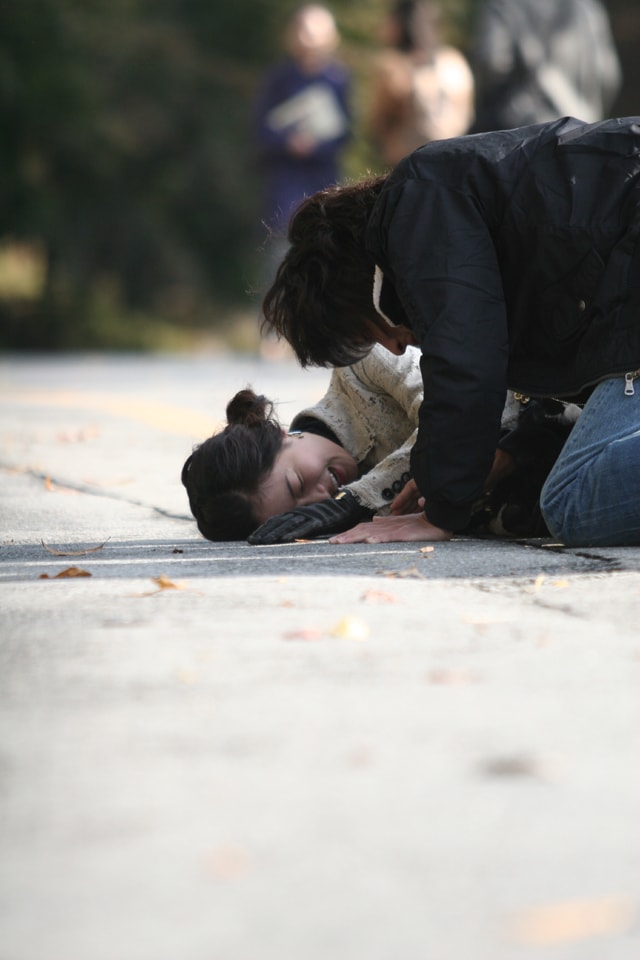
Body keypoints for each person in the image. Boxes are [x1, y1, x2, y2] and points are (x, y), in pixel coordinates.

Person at [259, 116, 640, 548]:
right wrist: (497, 459)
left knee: (572, 499)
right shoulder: (433, 199)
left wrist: (440, 508)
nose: (396, 346)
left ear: (355, 287)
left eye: (372, 334)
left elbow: (466, 360)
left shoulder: (417, 206)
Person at [182, 345, 578, 543]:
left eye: (298, 483)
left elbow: (464, 412)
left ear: (282, 436)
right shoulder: (347, 525)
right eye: (301, 515)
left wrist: (355, 501)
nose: (320, 497)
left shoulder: (361, 365)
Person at [253, 4, 351, 247]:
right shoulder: (279, 79)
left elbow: (345, 133)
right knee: (284, 247)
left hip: (324, 180)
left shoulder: (337, 80)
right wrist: (288, 143)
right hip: (285, 186)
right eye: (302, 29)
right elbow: (262, 129)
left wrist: (316, 147)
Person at [470, 0, 622, 133]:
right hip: (583, 130)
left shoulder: (505, 4)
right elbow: (609, 76)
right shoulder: (589, 8)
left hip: (519, 138)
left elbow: (492, 63)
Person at [369, 0, 474, 168]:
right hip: (453, 159)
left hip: (407, 163)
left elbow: (380, 120)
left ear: (399, 24)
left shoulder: (394, 66)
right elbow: (467, 112)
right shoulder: (454, 61)